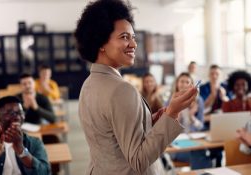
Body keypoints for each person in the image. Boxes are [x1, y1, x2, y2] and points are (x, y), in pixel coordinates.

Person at [74, 0, 198, 174]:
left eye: (133, 37)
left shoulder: (88, 85)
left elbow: (110, 137)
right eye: (124, 37)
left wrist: (148, 121)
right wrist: (173, 113)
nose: (133, 44)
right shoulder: (121, 90)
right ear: (100, 42)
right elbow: (139, 161)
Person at [0, 96, 50, 175]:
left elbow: (44, 172)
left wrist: (22, 151)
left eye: (20, 113)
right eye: (10, 113)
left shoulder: (34, 142)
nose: (17, 117)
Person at [170, 72, 212, 169]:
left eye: (187, 82)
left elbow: (201, 126)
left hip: (193, 142)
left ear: (191, 85)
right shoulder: (171, 102)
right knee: (200, 156)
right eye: (181, 81)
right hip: (176, 144)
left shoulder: (198, 100)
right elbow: (167, 129)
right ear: (177, 84)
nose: (184, 84)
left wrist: (192, 117)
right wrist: (177, 115)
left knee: (200, 153)